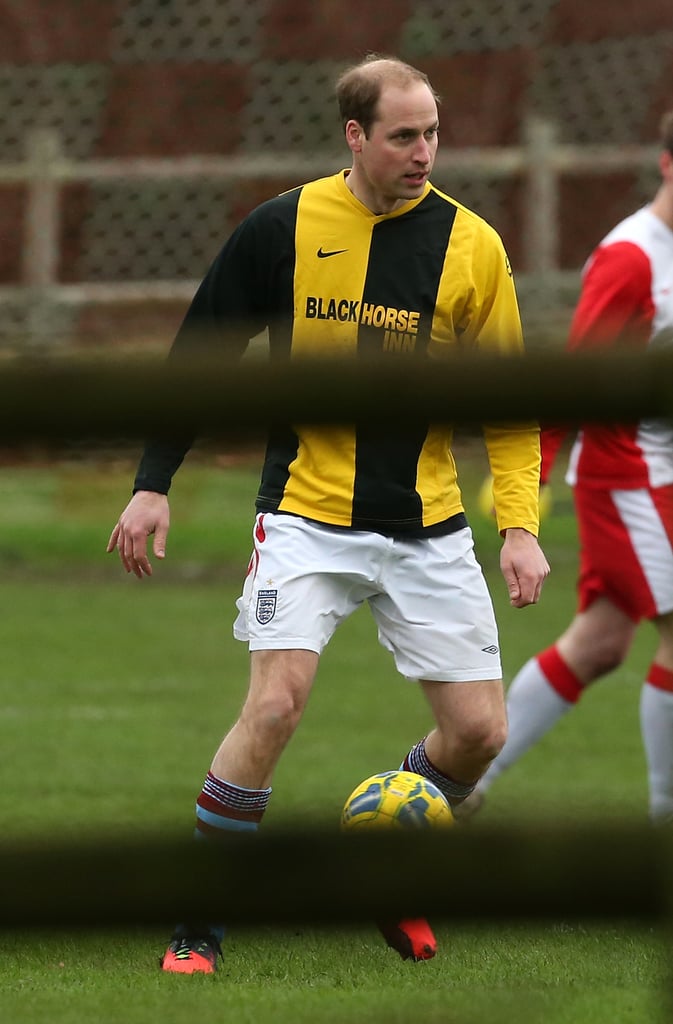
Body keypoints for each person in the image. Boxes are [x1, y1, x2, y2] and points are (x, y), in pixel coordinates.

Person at [107, 54, 550, 973]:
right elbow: (203, 354)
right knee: (274, 705)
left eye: (431, 132)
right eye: (403, 135)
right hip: (306, 514)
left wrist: (518, 524)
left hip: (425, 525)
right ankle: (201, 918)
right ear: (355, 135)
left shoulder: (472, 247)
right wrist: (155, 480)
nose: (423, 151)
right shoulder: (282, 227)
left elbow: (511, 401)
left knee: (479, 734)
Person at [459, 111, 673, 826]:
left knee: (600, 643)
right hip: (628, 475)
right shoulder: (632, 259)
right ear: (666, 165)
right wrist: (531, 480)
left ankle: (457, 786)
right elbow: (571, 381)